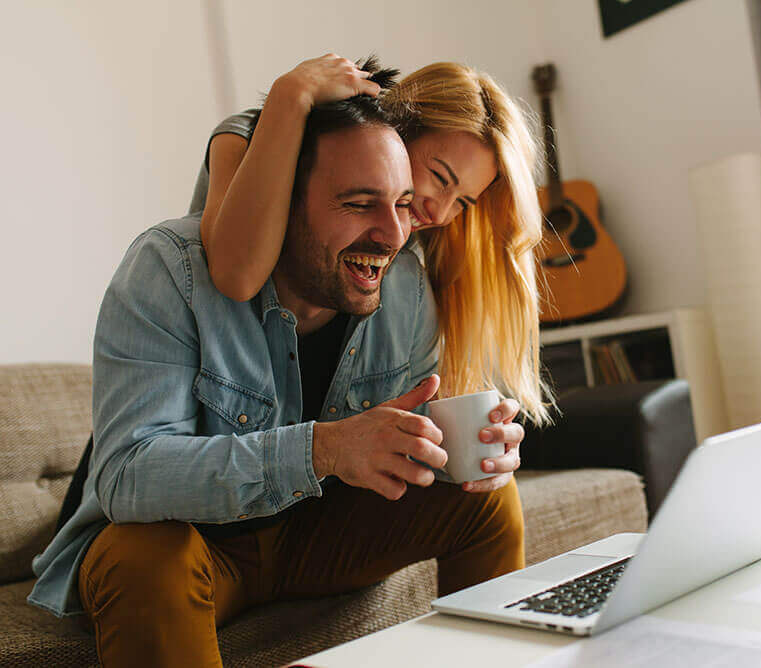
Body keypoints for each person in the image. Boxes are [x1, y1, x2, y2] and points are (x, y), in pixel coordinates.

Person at [28, 61, 527, 667]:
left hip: (311, 533)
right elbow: (128, 475)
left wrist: (473, 449)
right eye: (359, 202)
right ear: (283, 195)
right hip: (198, 546)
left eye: (400, 201)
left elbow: (401, 441)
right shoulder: (171, 268)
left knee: (488, 498)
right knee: (142, 555)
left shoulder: (404, 286)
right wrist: (324, 448)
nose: (402, 229)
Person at [190, 54, 554, 461]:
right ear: (397, 131)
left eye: (463, 202)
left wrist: (480, 444)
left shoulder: (410, 266)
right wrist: (291, 93)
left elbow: (421, 395)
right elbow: (236, 277)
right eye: (439, 177)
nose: (439, 213)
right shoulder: (246, 140)